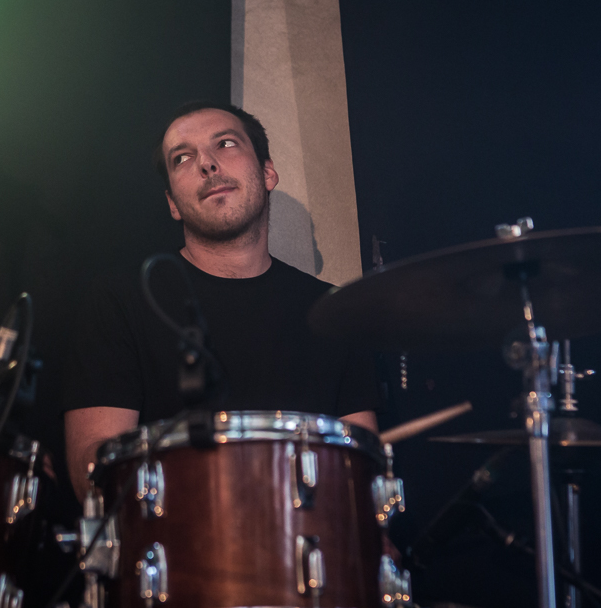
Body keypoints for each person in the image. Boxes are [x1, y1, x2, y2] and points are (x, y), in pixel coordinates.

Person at [62, 102, 379, 498]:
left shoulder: (335, 312)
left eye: (225, 144)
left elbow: (362, 474)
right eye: (182, 158)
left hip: (304, 535)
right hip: (175, 534)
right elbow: (93, 471)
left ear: (267, 172)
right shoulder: (120, 302)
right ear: (172, 203)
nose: (207, 164)